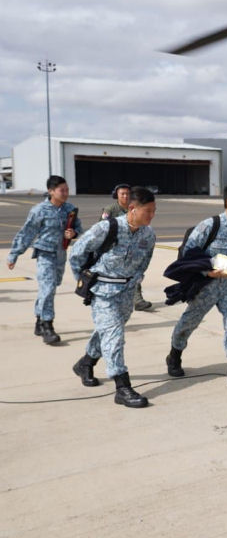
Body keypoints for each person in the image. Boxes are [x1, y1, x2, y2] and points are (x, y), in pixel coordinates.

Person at [69, 186, 157, 408]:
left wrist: (136, 279)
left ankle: (85, 363)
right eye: (148, 211)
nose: (152, 215)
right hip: (104, 292)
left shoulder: (149, 234)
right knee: (114, 336)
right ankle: (122, 386)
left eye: (154, 211)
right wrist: (84, 280)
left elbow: (145, 261)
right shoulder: (108, 228)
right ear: (133, 208)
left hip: (126, 292)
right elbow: (78, 250)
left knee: (107, 332)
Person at [164, 182, 227, 388]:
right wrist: (206, 272)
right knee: (189, 322)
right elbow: (188, 252)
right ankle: (174, 355)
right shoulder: (209, 225)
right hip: (207, 285)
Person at [7, 175, 83, 344]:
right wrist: (14, 254)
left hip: (61, 254)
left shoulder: (70, 209)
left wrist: (74, 233)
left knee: (49, 288)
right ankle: (48, 326)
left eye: (67, 190)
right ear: (51, 191)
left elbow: (78, 227)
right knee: (48, 288)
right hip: (45, 254)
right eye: (61, 190)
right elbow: (27, 233)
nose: (65, 193)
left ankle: (38, 320)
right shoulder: (39, 210)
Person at [101, 183, 152, 311]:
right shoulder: (110, 209)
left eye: (127, 194)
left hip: (133, 248)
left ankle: (138, 300)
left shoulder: (135, 208)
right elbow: (103, 227)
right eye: (122, 194)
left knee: (134, 272)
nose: (125, 196)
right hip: (115, 249)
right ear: (116, 195)